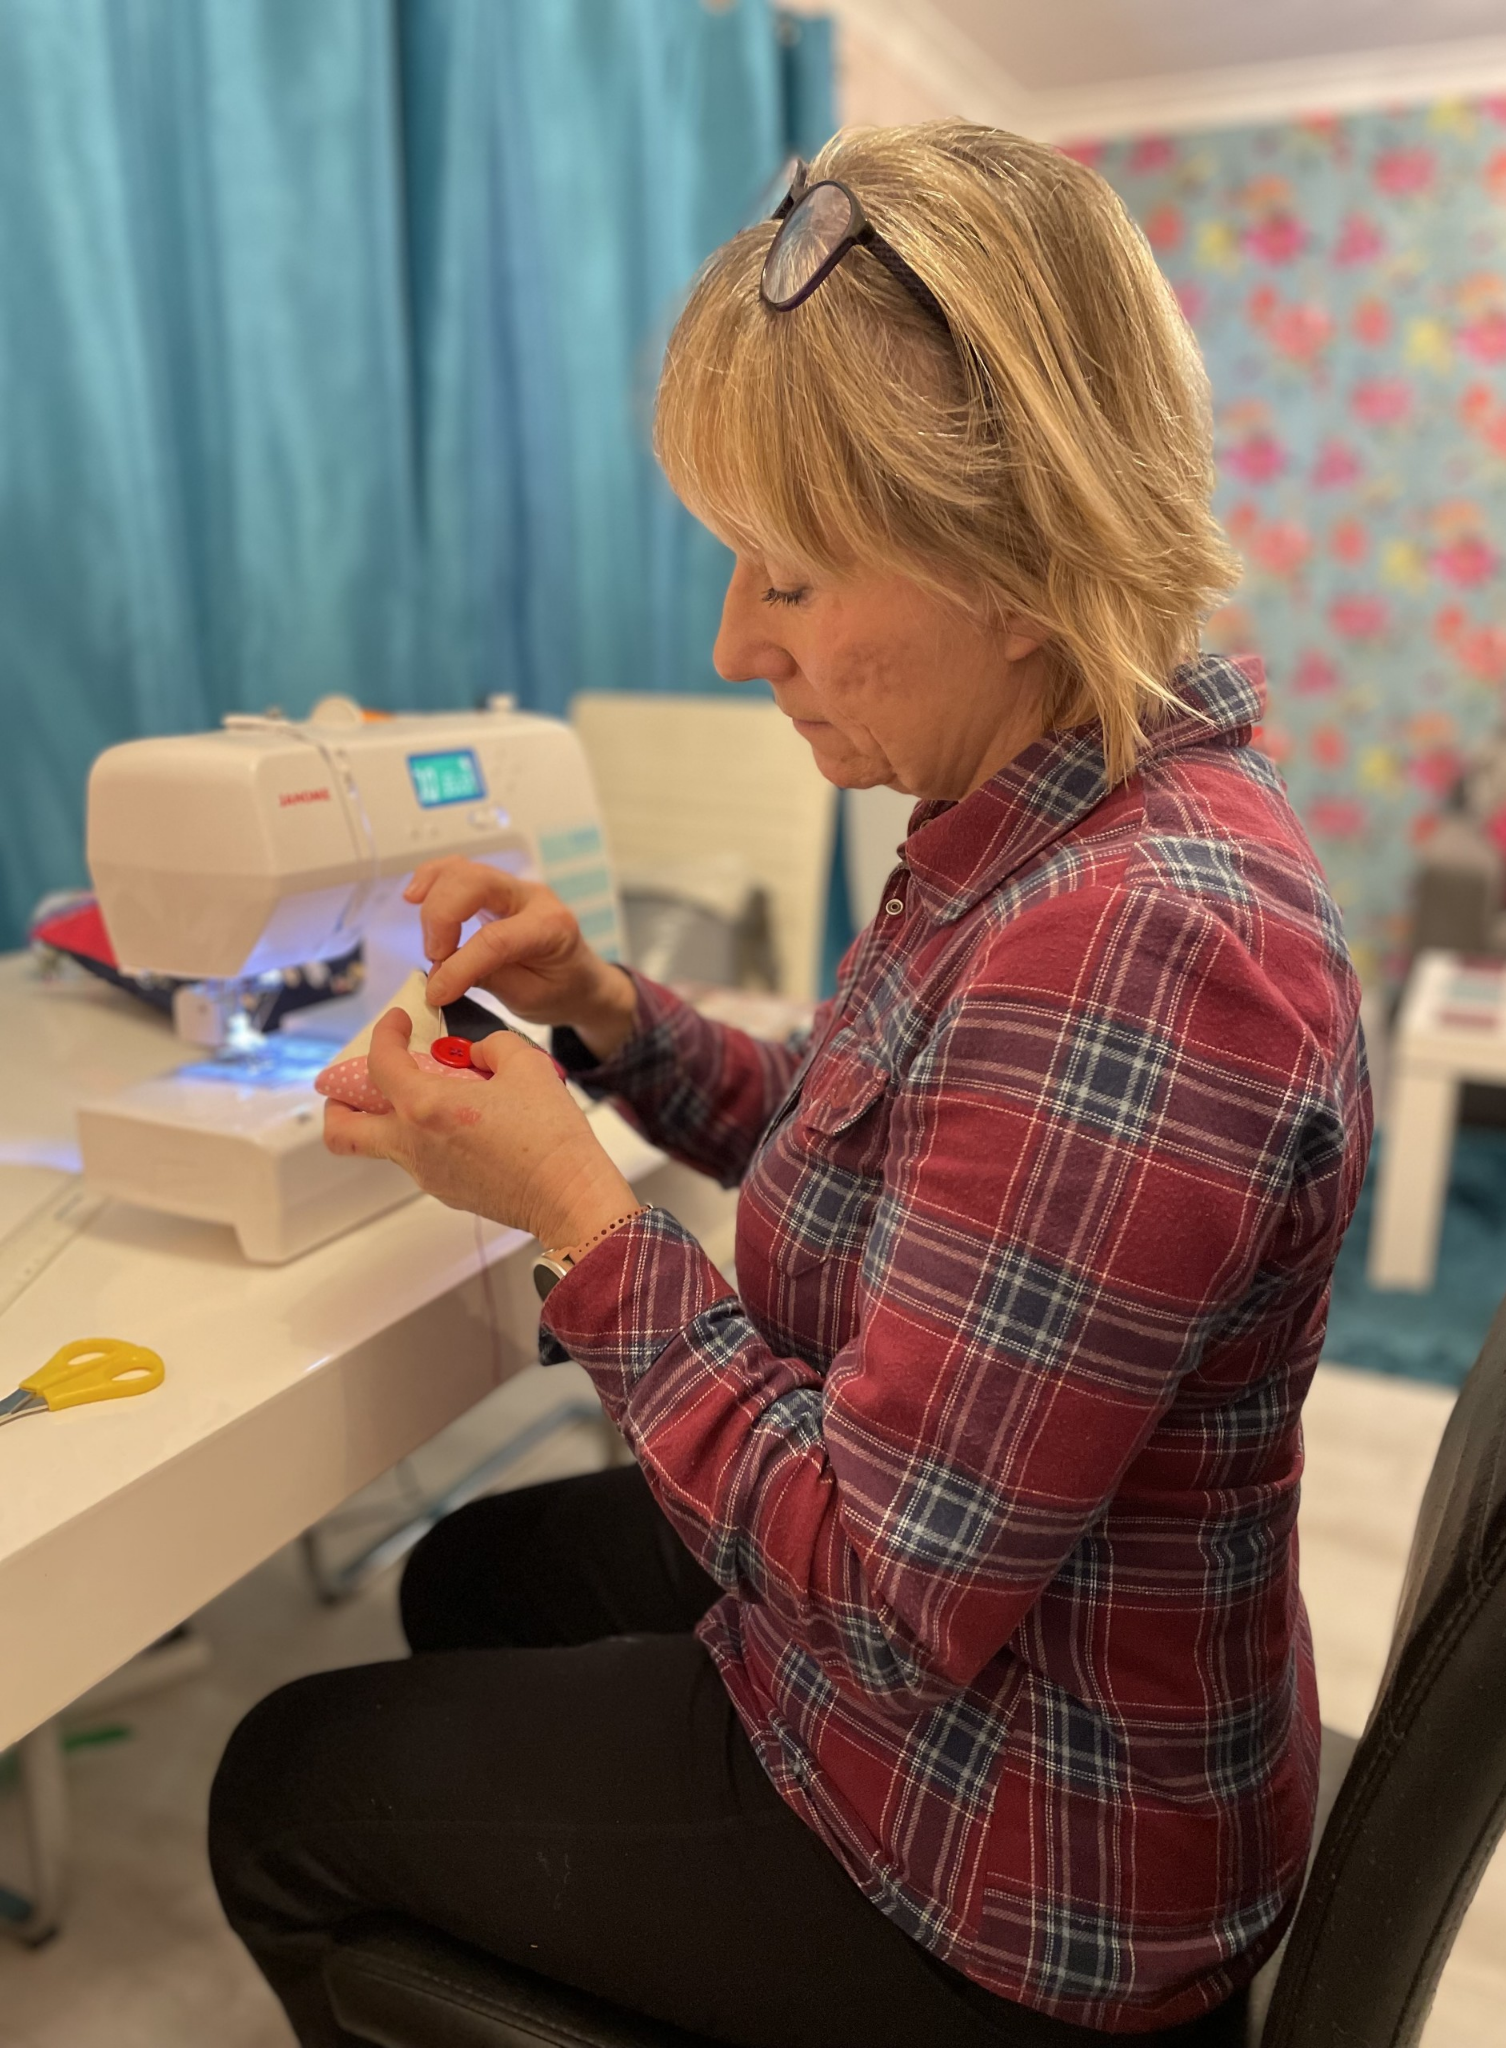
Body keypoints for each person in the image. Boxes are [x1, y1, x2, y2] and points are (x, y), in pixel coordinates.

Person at [209, 122, 1370, 2047]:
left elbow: (889, 1590)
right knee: (479, 1575)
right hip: (1007, 1688)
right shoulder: (1040, 817)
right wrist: (599, 1006)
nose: (735, 643)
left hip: (1025, 1858)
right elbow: (872, 1133)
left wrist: (575, 1214)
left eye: (792, 579)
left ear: (1021, 558)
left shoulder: (1143, 947)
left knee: (284, 1791)